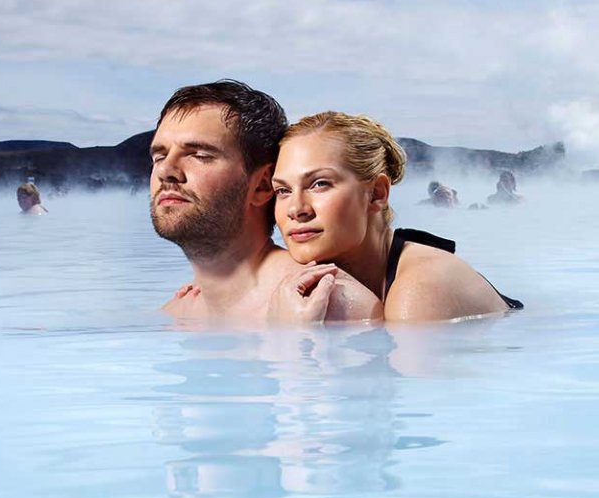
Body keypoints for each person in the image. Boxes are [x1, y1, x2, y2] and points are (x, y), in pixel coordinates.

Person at [150, 80, 378, 324]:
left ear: (261, 185)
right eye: (159, 156)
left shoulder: (329, 302)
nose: (165, 170)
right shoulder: (176, 313)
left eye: (200, 155)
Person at [270, 111, 522, 322]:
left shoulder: (421, 289)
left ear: (377, 194)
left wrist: (298, 337)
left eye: (319, 184)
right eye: (283, 190)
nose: (296, 208)